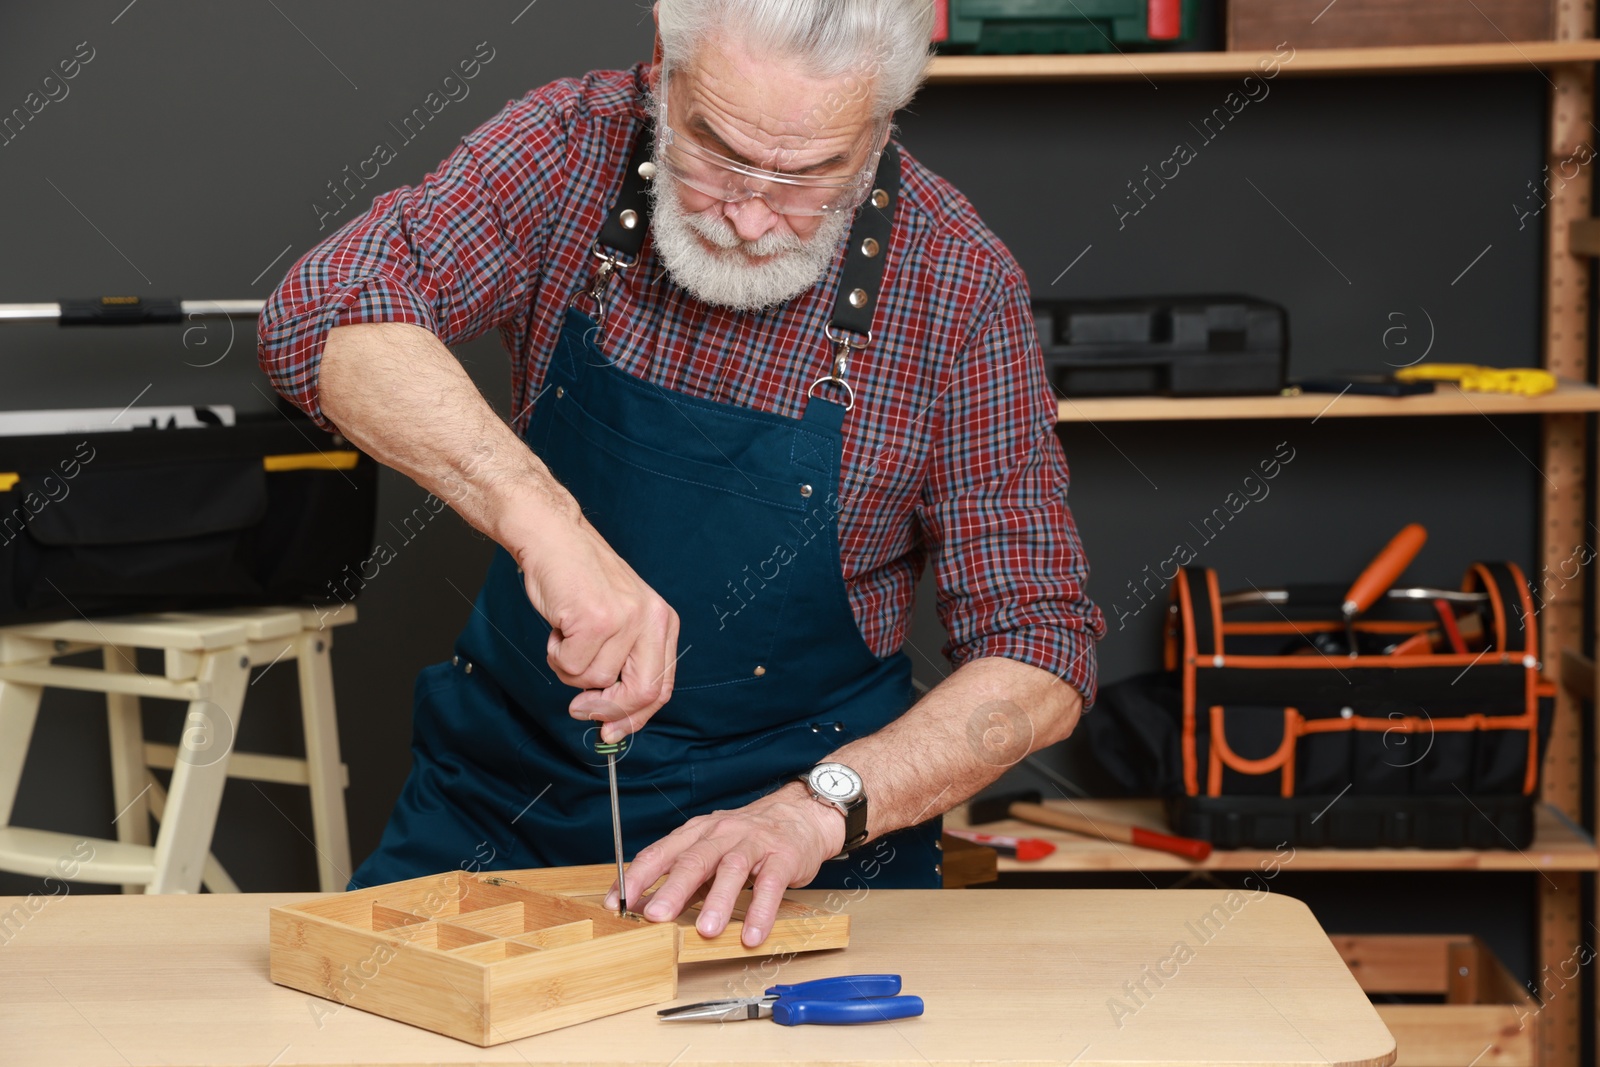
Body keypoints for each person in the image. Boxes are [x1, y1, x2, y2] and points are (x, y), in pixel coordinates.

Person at [258, 0, 1103, 948]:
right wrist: (550, 527)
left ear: (882, 124)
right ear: (663, 65)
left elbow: (1042, 652)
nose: (749, 215)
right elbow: (323, 314)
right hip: (501, 808)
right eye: (715, 152)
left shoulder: (956, 283)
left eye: (812, 174)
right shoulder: (573, 146)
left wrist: (818, 808)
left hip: (801, 851)